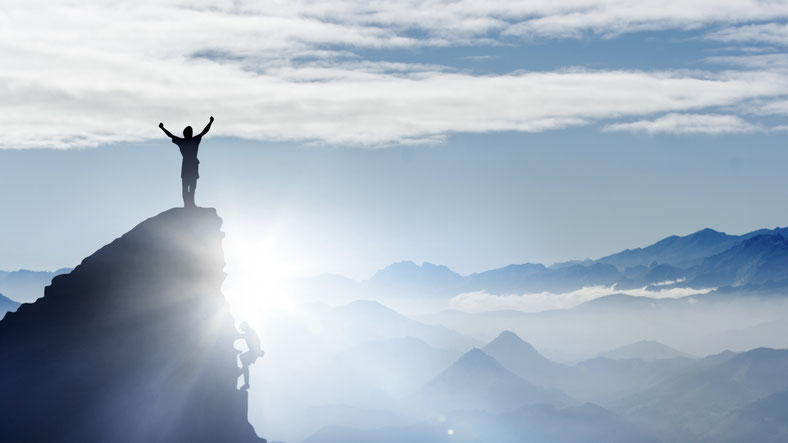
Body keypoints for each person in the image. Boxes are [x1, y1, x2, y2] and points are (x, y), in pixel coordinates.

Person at [158, 117, 214, 208]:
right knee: (190, 186)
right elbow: (204, 131)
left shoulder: (183, 141)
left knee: (188, 186)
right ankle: (189, 204)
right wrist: (210, 122)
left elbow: (171, 135)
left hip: (188, 165)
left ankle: (189, 204)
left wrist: (162, 128)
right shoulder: (192, 140)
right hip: (190, 165)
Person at [237, 322, 264, 390]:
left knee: (242, 358)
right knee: (245, 364)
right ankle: (244, 380)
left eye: (242, 328)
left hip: (254, 352)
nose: (242, 329)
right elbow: (242, 336)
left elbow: (256, 341)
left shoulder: (250, 332)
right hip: (254, 352)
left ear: (245, 327)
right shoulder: (249, 332)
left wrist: (258, 351)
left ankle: (243, 379)